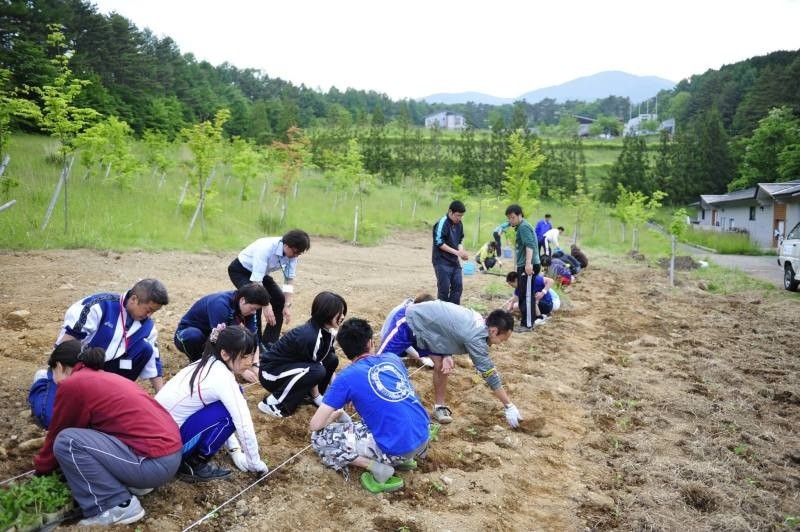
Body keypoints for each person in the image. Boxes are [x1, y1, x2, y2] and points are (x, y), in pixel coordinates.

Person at [33, 341, 182, 526]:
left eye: (52, 373)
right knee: (84, 434)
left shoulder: (73, 383)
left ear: (59, 366)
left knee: (67, 442)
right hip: (169, 455)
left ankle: (114, 505)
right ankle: (134, 484)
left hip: (152, 463)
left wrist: (41, 470)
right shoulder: (103, 377)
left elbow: (58, 431)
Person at [309, 318, 430, 493]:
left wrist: (337, 413)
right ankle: (404, 459)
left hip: (398, 447)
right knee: (382, 416)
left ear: (345, 351)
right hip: (423, 435)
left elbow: (315, 425)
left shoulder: (346, 377)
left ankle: (379, 468)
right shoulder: (392, 358)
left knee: (318, 438)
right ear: (371, 343)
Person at [29, 278, 169, 429]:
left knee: (146, 348)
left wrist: (162, 397)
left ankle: (111, 396)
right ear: (134, 299)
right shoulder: (98, 306)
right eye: (148, 310)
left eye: (153, 312)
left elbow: (153, 360)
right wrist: (63, 375)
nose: (149, 315)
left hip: (107, 371)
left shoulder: (148, 326)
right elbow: (65, 346)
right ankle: (42, 382)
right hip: (75, 367)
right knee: (52, 420)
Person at [377, 300, 522, 428]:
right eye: (502, 340)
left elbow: (449, 328)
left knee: (442, 366)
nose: (501, 344)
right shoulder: (475, 337)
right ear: (494, 330)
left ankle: (439, 407)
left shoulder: (479, 322)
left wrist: (447, 354)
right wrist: (508, 405)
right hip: (410, 322)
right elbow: (489, 374)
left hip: (431, 332)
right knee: (378, 365)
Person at [156, 324, 269, 483]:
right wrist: (255, 464)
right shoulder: (221, 377)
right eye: (244, 356)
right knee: (229, 412)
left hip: (159, 435)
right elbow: (243, 422)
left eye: (251, 355)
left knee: (231, 403)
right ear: (225, 354)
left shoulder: (208, 362)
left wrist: (235, 450)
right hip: (167, 449)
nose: (250, 362)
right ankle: (193, 463)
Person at [257, 291, 347, 418]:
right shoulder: (310, 336)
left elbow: (325, 360)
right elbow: (314, 367)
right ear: (327, 312)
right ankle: (273, 403)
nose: (343, 316)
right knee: (317, 370)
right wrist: (317, 397)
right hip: (271, 374)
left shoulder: (326, 332)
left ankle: (309, 395)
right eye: (340, 313)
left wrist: (338, 389)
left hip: (290, 370)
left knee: (332, 359)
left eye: (343, 312)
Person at [228, 229, 311, 347]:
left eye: (299, 254)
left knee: (279, 300)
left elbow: (289, 279)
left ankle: (269, 342)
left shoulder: (292, 255)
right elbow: (256, 282)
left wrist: (287, 305)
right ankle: (255, 343)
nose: (296, 256)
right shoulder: (265, 248)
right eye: (295, 252)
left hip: (261, 275)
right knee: (255, 301)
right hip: (240, 270)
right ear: (286, 245)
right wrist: (266, 305)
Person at [174, 283, 269, 382]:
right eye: (253, 309)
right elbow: (221, 339)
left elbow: (253, 337)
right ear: (242, 300)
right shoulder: (220, 304)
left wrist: (255, 364)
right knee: (193, 336)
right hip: (186, 334)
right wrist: (241, 370)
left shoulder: (247, 307)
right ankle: (196, 362)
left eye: (256, 310)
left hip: (212, 336)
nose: (254, 312)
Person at [505, 204, 540, 333]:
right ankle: (525, 322)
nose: (510, 220)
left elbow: (529, 245)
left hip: (528, 266)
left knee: (527, 296)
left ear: (520, 215)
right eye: (509, 218)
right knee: (524, 294)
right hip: (524, 265)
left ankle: (528, 325)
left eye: (512, 217)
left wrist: (528, 264)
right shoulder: (520, 226)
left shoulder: (524, 227)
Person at [380, 294, 436, 368]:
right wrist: (421, 358)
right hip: (392, 342)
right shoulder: (402, 317)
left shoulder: (415, 310)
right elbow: (400, 341)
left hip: (407, 339)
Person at [431, 200, 469, 304]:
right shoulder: (442, 222)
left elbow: (460, 240)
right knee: (444, 289)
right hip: (441, 261)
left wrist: (461, 252)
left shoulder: (459, 224)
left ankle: (453, 313)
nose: (459, 218)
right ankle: (442, 315)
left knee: (458, 288)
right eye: (457, 215)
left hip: (454, 262)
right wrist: (457, 253)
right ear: (450, 212)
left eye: (461, 216)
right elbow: (439, 242)